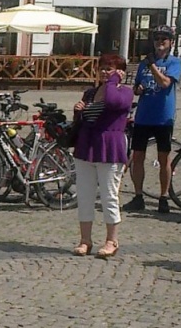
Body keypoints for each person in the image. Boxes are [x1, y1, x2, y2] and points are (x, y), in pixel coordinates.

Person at [72, 54, 133, 259]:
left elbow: (113, 102)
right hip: (86, 147)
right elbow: (86, 121)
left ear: (120, 72)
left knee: (109, 195)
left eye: (110, 68)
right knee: (85, 195)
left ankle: (111, 240)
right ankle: (85, 240)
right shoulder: (90, 93)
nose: (105, 72)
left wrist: (114, 81)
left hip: (110, 148)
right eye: (103, 68)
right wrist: (78, 112)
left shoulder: (124, 91)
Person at [124, 25, 181, 214]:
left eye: (164, 39)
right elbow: (136, 86)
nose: (159, 43)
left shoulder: (174, 62)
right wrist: (138, 89)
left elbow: (165, 83)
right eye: (157, 39)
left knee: (163, 158)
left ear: (171, 42)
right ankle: (138, 195)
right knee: (138, 156)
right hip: (144, 115)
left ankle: (163, 197)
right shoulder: (144, 64)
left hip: (163, 117)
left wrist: (153, 66)